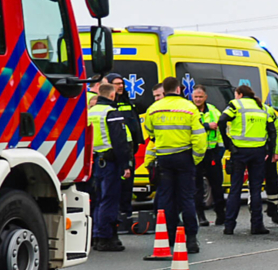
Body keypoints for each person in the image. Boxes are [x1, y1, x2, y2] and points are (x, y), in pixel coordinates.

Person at [143, 76, 206, 254]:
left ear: (165, 90)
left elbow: (150, 133)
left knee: (165, 198)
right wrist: (196, 158)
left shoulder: (153, 109)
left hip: (164, 158)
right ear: (179, 89)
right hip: (184, 157)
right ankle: (191, 239)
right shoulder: (189, 108)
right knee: (186, 198)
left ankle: (168, 236)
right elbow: (199, 137)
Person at [219, 84, 275, 236]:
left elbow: (221, 121)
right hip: (258, 151)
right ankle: (257, 226)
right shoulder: (263, 107)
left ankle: (229, 226)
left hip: (239, 151)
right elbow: (272, 130)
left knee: (235, 188)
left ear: (240, 94)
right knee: (255, 190)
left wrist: (227, 143)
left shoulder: (235, 105)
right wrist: (271, 150)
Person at [88, 83, 133, 252]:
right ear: (112, 95)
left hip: (95, 161)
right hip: (110, 162)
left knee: (99, 200)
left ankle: (97, 236)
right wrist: (125, 165)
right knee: (110, 200)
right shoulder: (111, 113)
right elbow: (120, 142)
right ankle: (107, 237)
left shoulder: (91, 112)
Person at [107, 73, 143, 229]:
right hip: (113, 150)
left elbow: (134, 125)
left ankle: (126, 214)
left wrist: (137, 143)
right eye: (116, 84)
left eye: (121, 83)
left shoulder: (128, 103)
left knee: (128, 184)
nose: (120, 86)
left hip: (128, 149)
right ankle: (116, 217)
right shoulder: (109, 105)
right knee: (115, 187)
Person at [191, 84, 226, 226]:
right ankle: (201, 216)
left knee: (217, 185)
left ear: (205, 97)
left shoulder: (213, 111)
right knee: (197, 187)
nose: (198, 99)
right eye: (195, 97)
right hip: (195, 154)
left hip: (212, 153)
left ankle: (220, 215)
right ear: (191, 97)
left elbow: (221, 130)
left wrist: (219, 153)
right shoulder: (189, 110)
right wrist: (206, 126)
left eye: (200, 97)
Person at [259, 95, 278, 225]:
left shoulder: (267, 110)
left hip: (267, 151)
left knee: (272, 181)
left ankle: (273, 209)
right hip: (253, 152)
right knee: (255, 183)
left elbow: (277, 131)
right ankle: (256, 215)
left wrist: (276, 151)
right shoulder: (238, 109)